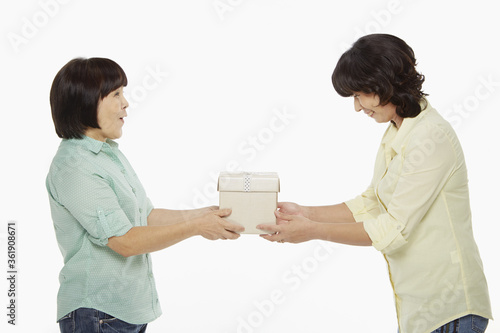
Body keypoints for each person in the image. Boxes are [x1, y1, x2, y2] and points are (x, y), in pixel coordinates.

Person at [257, 34, 492, 333]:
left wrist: (312, 231)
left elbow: (392, 229)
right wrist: (304, 213)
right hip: (420, 309)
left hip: (450, 310)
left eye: (359, 95)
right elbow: (372, 202)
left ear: (383, 84)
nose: (357, 107)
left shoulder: (430, 137)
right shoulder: (398, 130)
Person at [46, 57, 244, 333]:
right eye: (116, 94)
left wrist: (204, 214)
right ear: (86, 101)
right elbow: (124, 241)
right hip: (98, 314)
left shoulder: (108, 153)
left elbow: (146, 216)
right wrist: (197, 227)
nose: (126, 103)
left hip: (124, 313)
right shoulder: (75, 167)